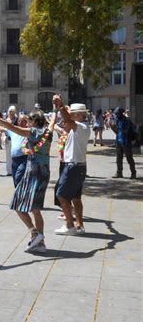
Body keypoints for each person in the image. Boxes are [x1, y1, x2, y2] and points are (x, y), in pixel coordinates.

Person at [0, 104, 57, 253]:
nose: (28, 123)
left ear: (35, 122)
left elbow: (12, 128)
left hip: (33, 172)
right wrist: (56, 108)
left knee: (16, 204)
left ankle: (35, 233)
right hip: (44, 173)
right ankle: (40, 243)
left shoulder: (33, 132)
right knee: (36, 209)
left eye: (30, 120)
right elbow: (52, 121)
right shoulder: (48, 132)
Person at [53, 96, 91, 235]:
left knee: (61, 195)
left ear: (78, 115)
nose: (70, 117)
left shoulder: (80, 126)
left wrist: (60, 105)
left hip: (73, 167)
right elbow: (66, 123)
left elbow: (68, 120)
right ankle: (80, 225)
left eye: (73, 114)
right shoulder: (82, 127)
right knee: (76, 197)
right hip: (79, 166)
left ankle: (70, 226)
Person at [111, 107, 136, 179]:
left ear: (121, 113)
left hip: (126, 142)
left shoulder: (126, 120)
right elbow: (117, 132)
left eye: (117, 114)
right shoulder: (117, 120)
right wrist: (113, 127)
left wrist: (118, 128)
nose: (116, 115)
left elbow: (126, 131)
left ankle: (133, 173)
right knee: (118, 158)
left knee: (129, 158)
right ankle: (119, 173)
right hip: (119, 142)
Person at [5, 106, 18, 176]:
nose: (11, 113)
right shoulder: (6, 120)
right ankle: (9, 171)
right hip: (8, 139)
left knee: (14, 155)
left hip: (15, 139)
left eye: (12, 111)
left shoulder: (17, 120)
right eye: (10, 111)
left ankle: (14, 169)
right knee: (8, 155)